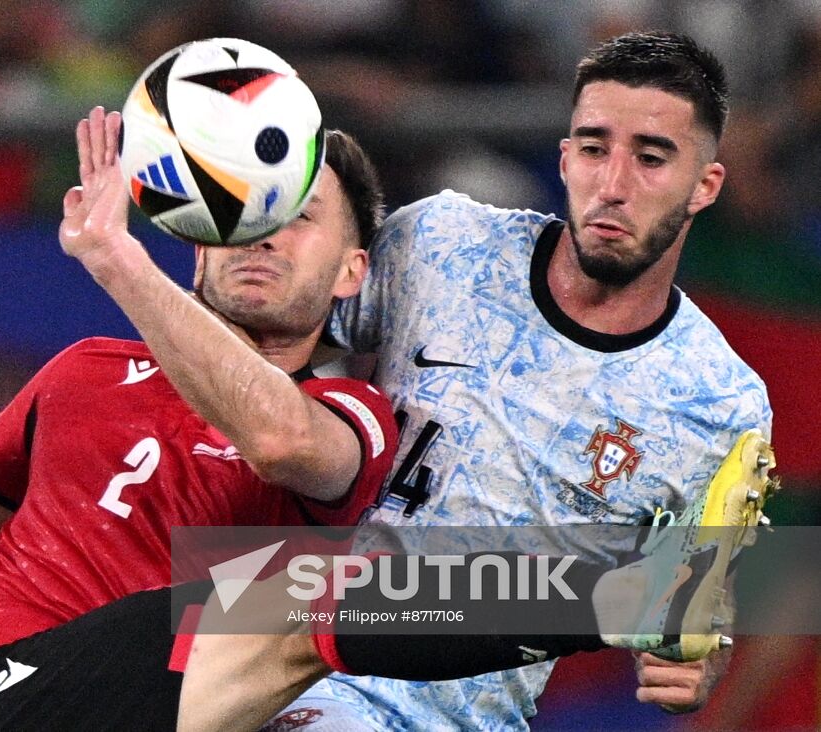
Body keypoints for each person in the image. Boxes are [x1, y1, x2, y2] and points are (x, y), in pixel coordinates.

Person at [0, 109, 398, 730]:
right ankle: (523, 597)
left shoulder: (349, 414)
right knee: (379, 584)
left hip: (174, 699)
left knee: (361, 598)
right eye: (244, 205)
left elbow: (278, 440)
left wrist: (117, 260)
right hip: (6, 690)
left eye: (297, 214)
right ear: (201, 244)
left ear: (351, 271)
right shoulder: (88, 370)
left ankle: (520, 605)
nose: (263, 233)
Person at [276, 30, 773, 730]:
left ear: (705, 185)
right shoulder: (442, 244)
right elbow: (276, 348)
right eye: (594, 148)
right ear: (566, 158)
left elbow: (691, 607)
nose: (614, 184)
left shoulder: (719, 402)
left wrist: (695, 661)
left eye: (652, 158)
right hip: (300, 677)